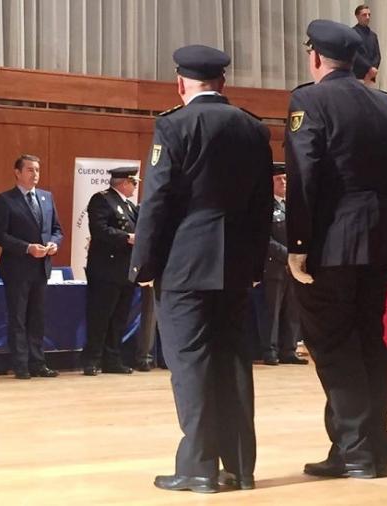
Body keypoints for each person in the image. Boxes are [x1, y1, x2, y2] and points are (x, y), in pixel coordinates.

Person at [130, 44, 272, 493]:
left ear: (180, 83)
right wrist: (252, 264)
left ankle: (197, 467)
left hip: (186, 265)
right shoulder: (252, 128)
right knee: (233, 363)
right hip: (234, 266)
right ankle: (241, 467)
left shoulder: (173, 125)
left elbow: (157, 201)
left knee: (190, 365)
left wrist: (144, 264)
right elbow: (262, 206)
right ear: (222, 82)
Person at [284, 20, 387, 479]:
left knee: (334, 346)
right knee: (368, 343)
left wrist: (297, 243)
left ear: (316, 57)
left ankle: (358, 451)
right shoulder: (386, 105)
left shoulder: (309, 99)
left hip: (333, 243)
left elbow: (304, 174)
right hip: (381, 240)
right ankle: (365, 445)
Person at [0, 154, 63, 380]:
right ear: (18, 172)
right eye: (30, 170)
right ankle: (20, 364)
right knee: (18, 319)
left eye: (37, 170)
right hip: (17, 268)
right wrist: (27, 248)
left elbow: (57, 229)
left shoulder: (46, 197)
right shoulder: (5, 199)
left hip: (41, 268)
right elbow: (0, 235)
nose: (35, 174)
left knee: (37, 319)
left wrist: (54, 243)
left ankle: (38, 363)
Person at [81, 167, 140, 376]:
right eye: (134, 182)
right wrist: (127, 237)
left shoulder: (131, 206)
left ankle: (112, 358)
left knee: (119, 317)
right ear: (124, 182)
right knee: (100, 316)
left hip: (125, 270)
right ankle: (92, 359)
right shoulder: (102, 199)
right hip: (106, 269)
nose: (135, 186)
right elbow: (99, 229)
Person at [258, 163, 307, 366]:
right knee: (273, 311)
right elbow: (265, 240)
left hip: (293, 269)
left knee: (293, 310)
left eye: (286, 179)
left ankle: (289, 349)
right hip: (275, 267)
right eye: (279, 179)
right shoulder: (266, 207)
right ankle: (270, 350)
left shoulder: (292, 207)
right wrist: (288, 255)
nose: (284, 182)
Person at [352, 4, 380, 85]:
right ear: (357, 16)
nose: (367, 17)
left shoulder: (373, 35)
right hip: (358, 76)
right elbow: (355, 54)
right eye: (364, 15)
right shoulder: (352, 33)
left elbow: (377, 55)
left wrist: (373, 69)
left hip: (371, 77)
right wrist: (369, 68)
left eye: (369, 15)